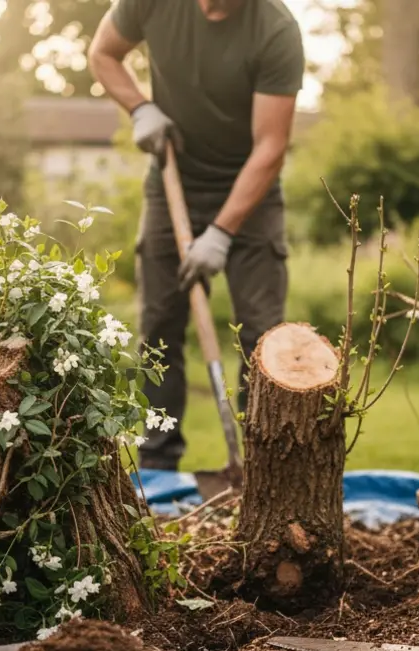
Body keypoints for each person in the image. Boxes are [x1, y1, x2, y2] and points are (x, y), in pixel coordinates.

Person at [88, 0, 305, 471]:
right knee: (159, 326)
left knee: (263, 336)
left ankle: (265, 466)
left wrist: (222, 232)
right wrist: (140, 107)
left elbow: (271, 146)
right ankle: (158, 462)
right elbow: (103, 53)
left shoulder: (275, 29)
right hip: (172, 181)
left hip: (252, 191)